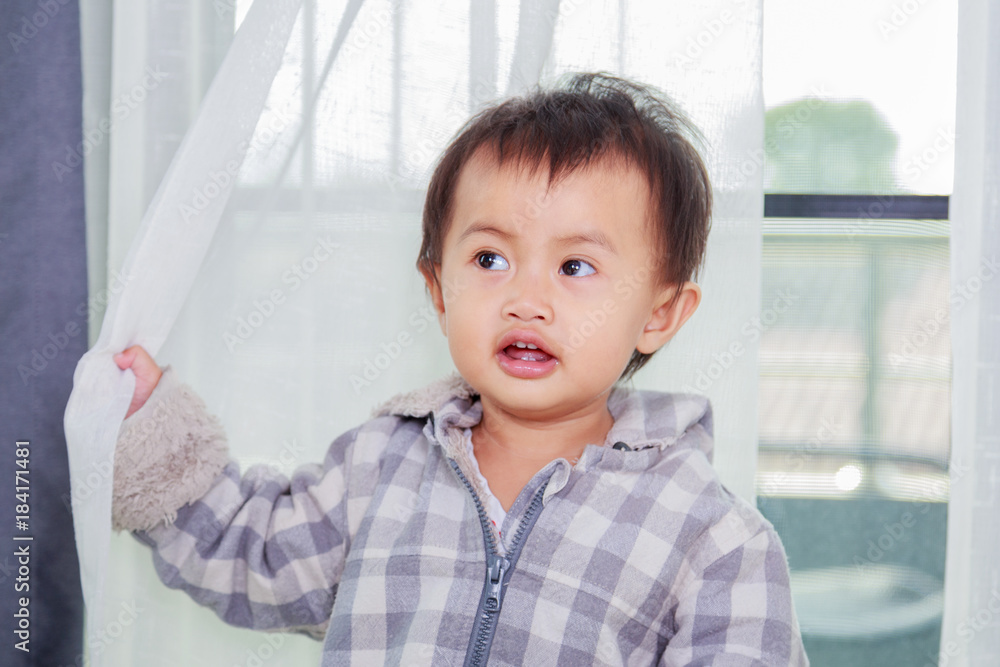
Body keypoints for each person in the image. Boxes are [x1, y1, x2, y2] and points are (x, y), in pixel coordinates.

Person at [112, 73, 808, 666]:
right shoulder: (380, 466)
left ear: (659, 314)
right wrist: (146, 429)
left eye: (575, 266)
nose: (526, 299)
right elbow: (252, 551)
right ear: (440, 290)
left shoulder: (713, 540)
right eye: (489, 259)